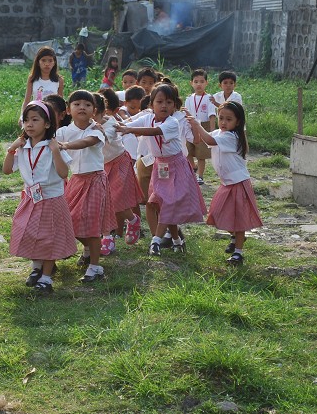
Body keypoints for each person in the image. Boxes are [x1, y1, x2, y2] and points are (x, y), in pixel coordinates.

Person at [117, 84, 206, 256]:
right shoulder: (147, 117)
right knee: (156, 203)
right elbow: (126, 125)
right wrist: (111, 125)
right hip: (160, 166)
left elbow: (153, 131)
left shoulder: (172, 122)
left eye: (169, 102)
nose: (164, 105)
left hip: (176, 166)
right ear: (151, 104)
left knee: (168, 204)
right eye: (159, 101)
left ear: (174, 106)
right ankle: (177, 241)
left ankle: (156, 241)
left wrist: (128, 129)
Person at [3, 101, 76, 294]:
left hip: (51, 199)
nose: (29, 124)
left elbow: (62, 173)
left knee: (50, 237)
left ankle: (46, 276)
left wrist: (55, 151)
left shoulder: (54, 146)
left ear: (47, 124)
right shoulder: (23, 146)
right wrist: (11, 149)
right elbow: (7, 170)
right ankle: (36, 268)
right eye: (26, 120)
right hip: (30, 198)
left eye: (35, 120)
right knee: (29, 232)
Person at [188, 101, 262, 265]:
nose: (223, 122)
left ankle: (238, 253)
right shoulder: (220, 133)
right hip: (227, 183)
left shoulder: (232, 136)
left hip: (238, 183)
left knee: (239, 219)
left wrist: (196, 123)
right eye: (221, 118)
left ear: (238, 122)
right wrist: (191, 124)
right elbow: (203, 138)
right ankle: (235, 237)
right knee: (217, 213)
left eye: (229, 119)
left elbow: (209, 139)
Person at [56, 90, 116, 282]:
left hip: (95, 180)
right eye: (77, 104)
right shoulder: (63, 131)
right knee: (69, 220)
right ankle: (89, 249)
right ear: (68, 109)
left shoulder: (96, 130)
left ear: (94, 110)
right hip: (76, 180)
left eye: (87, 104)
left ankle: (95, 267)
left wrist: (65, 145)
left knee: (91, 225)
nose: (82, 107)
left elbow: (87, 142)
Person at [96, 91, 143, 249]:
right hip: (102, 166)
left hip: (119, 162)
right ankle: (108, 236)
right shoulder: (84, 125)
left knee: (115, 199)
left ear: (105, 111)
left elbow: (104, 137)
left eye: (95, 110)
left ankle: (131, 220)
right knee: (104, 201)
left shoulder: (111, 123)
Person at [184, 69, 217, 184]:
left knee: (201, 154)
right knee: (187, 151)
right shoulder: (189, 98)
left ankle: (200, 176)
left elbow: (212, 115)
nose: (199, 84)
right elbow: (185, 114)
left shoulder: (209, 98)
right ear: (191, 83)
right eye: (196, 81)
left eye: (202, 81)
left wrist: (212, 132)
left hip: (204, 127)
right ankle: (193, 168)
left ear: (206, 83)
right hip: (190, 127)